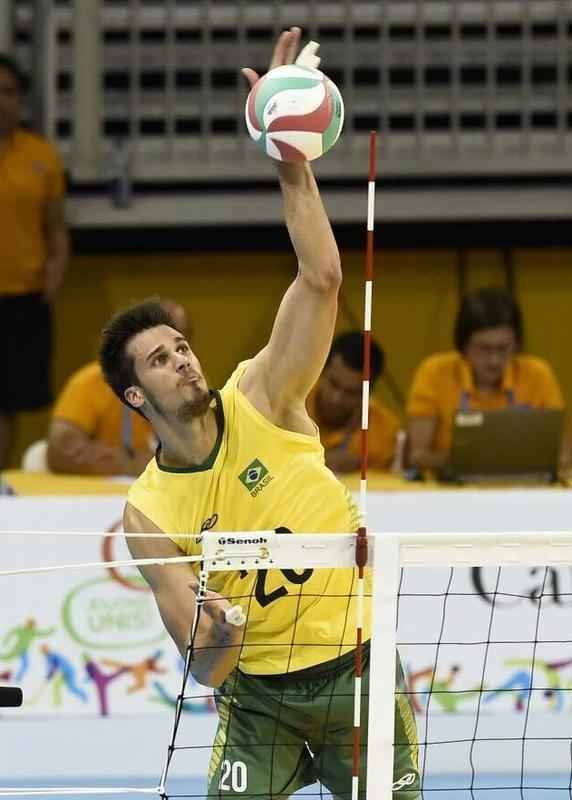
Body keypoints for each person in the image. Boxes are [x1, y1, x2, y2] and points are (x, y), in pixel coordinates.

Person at [98, 28, 419, 800]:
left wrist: (293, 171)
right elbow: (202, 667)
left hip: (357, 671)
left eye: (182, 346)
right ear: (136, 396)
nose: (183, 360)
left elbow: (322, 278)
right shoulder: (148, 513)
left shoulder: (263, 396)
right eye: (160, 359)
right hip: (258, 703)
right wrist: (219, 633)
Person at [406, 287, 564, 472]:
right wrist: (476, 461)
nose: (494, 360)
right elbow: (417, 456)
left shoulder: (538, 374)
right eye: (483, 348)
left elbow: (560, 454)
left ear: (517, 344)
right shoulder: (435, 372)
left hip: (524, 487)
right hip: (452, 491)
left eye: (503, 348)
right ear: (463, 345)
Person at [0, 54, 69, 467]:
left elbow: (56, 230)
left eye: (8, 91)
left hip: (24, 298)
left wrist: (53, 279)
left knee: (11, 403)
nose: (0, 100)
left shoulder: (40, 156)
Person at [47, 299, 188, 477]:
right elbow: (61, 452)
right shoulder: (93, 381)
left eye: (179, 344)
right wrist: (139, 464)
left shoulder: (193, 384)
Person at [306, 331, 400, 473]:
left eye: (350, 393)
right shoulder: (284, 403)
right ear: (320, 370)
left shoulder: (384, 431)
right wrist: (322, 461)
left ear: (368, 393)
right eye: (333, 383)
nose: (336, 398)